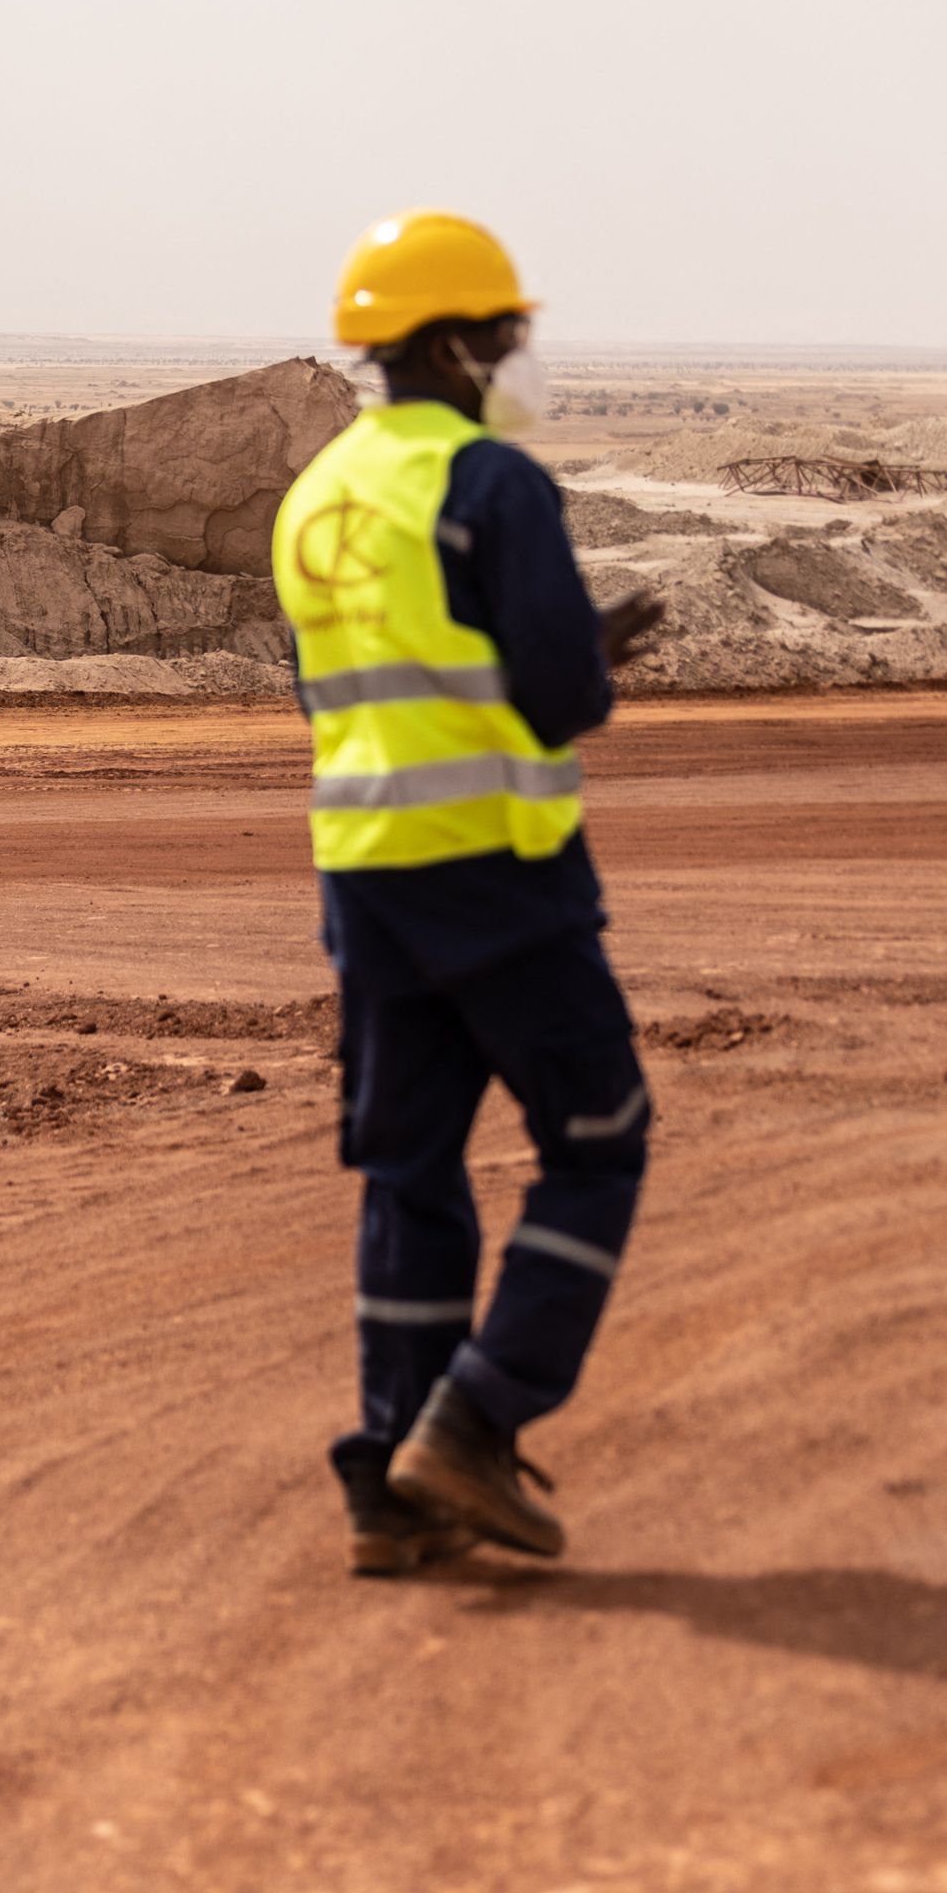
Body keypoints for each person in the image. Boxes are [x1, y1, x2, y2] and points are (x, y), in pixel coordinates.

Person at [271, 211, 665, 1573]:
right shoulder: (489, 484)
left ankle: (391, 1485)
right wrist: (591, 659)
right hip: (497, 875)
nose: (516, 355)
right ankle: (479, 1418)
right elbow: (554, 698)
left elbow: (364, 689)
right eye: (504, 333)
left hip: (366, 883)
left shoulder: (315, 497)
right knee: (599, 1140)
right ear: (450, 344)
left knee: (410, 1170)